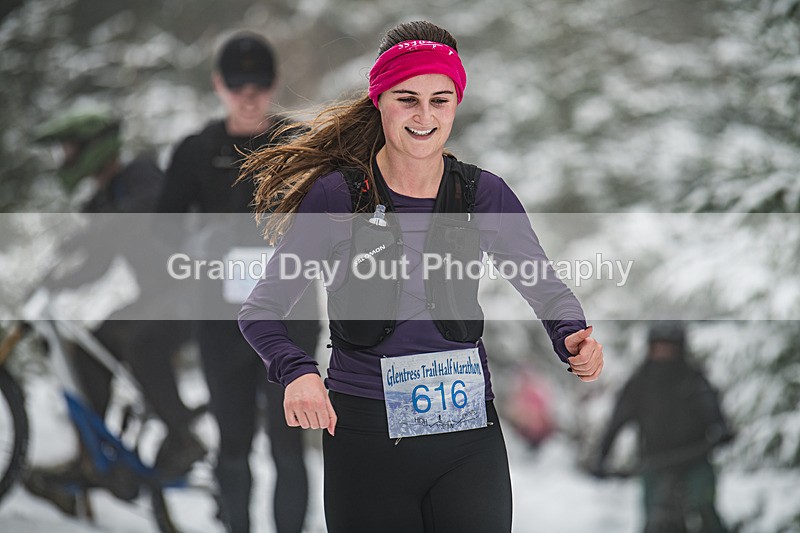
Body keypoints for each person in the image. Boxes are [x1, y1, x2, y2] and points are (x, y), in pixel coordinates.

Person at [238, 20, 604, 532]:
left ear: (457, 103)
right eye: (407, 98)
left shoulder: (482, 194)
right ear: (380, 101)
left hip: (465, 434)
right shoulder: (339, 197)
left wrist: (573, 334)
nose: (424, 115)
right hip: (365, 436)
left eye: (441, 99)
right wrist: (297, 371)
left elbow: (543, 286)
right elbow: (261, 311)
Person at [157, 32, 320, 533]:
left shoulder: (299, 143)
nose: (248, 93)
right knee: (233, 442)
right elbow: (160, 234)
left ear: (273, 85)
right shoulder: (196, 150)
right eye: (236, 82)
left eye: (259, 82)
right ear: (219, 85)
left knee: (288, 439)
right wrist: (195, 248)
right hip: (221, 319)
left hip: (291, 317)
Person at [25, 107, 204, 515]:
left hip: (191, 291)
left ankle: (183, 435)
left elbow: (151, 210)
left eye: (70, 149)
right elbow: (97, 266)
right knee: (91, 347)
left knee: (144, 344)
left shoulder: (141, 175)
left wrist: (98, 226)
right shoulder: (104, 198)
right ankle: (94, 456)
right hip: (154, 295)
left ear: (93, 147)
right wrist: (53, 280)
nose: (65, 159)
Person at [591, 321, 733, 533]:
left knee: (704, 507)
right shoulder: (639, 383)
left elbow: (713, 411)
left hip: (695, 459)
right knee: (653, 518)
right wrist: (602, 456)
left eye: (669, 349)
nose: (664, 354)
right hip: (654, 462)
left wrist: (721, 430)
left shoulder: (694, 380)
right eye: (659, 348)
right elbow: (616, 422)